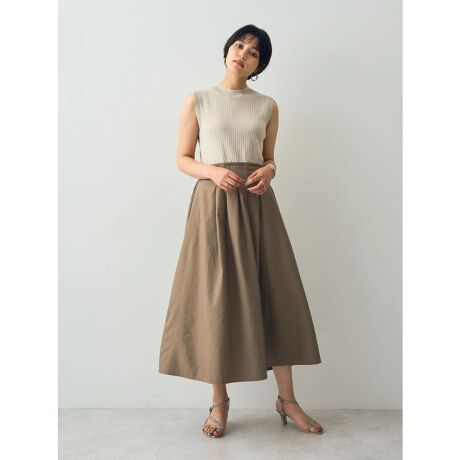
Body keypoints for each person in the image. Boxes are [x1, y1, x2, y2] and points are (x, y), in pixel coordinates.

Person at [158, 24, 324, 438]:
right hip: (214, 205)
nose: (243, 55)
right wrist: (213, 172)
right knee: (217, 298)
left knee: (276, 294)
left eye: (254, 53)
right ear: (227, 50)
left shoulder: (267, 106)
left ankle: (287, 399)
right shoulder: (198, 100)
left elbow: (269, 158)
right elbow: (182, 158)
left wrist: (269, 171)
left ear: (258, 66)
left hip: (257, 203)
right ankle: (219, 402)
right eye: (239, 46)